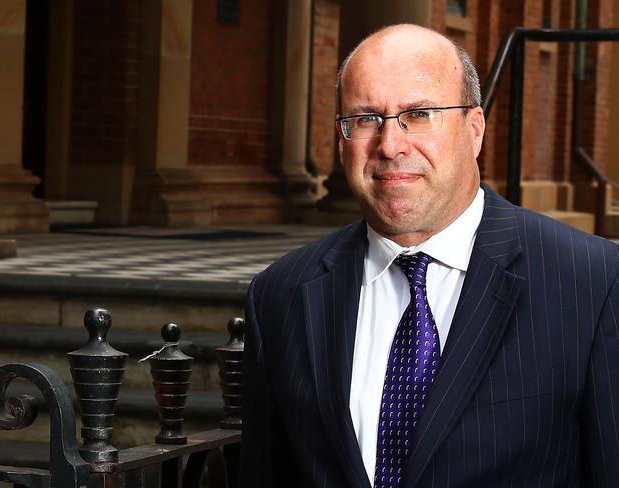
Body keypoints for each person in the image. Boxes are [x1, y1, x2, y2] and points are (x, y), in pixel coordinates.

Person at [239, 24, 619, 487]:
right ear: (341, 139)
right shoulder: (280, 295)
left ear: (474, 129)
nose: (390, 145)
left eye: (418, 115)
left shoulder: (592, 283)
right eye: (365, 119)